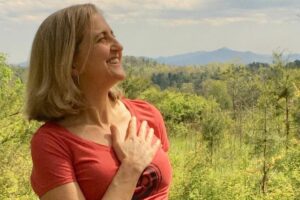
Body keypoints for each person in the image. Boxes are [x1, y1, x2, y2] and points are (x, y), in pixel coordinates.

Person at [25, 3, 172, 200]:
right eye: (102, 39)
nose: (119, 46)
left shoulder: (148, 115)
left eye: (113, 35)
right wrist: (131, 168)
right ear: (70, 62)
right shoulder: (52, 144)